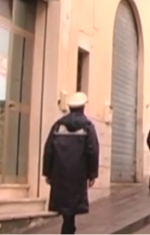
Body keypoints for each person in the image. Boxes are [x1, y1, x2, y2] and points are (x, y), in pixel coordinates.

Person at [42, 92, 99, 234]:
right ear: (83, 107)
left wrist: (47, 172)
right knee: (71, 206)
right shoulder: (87, 127)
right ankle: (69, 229)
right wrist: (92, 174)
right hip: (78, 174)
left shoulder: (58, 125)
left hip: (60, 172)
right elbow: (92, 150)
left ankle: (69, 227)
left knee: (65, 206)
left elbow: (49, 149)